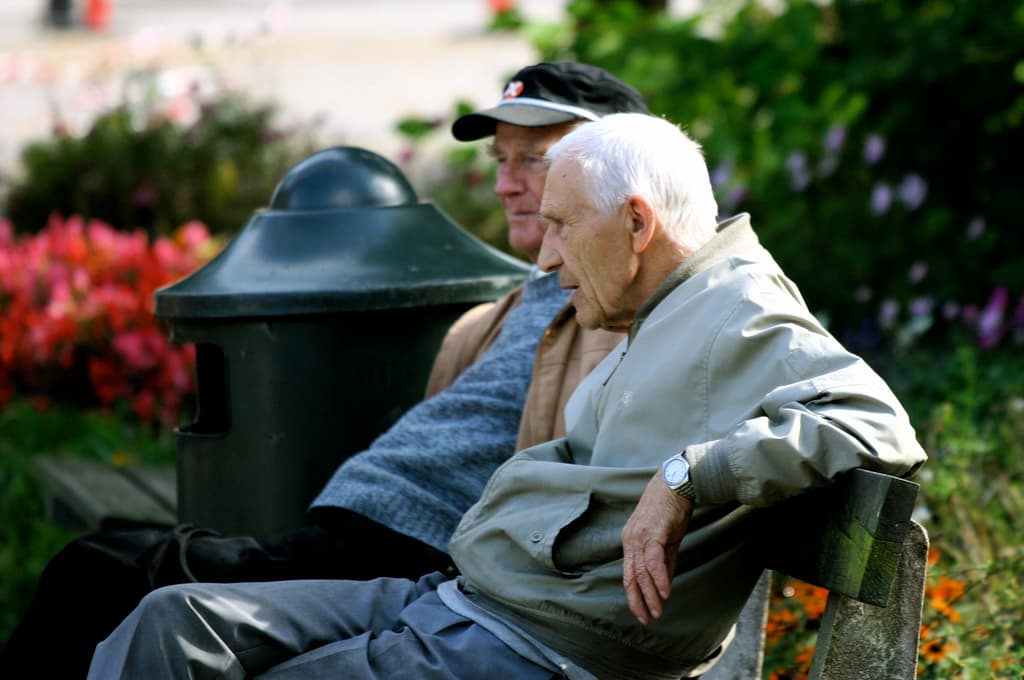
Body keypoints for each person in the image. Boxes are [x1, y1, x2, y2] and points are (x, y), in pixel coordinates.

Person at [86, 113, 927, 679]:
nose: (547, 257)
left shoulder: (738, 307)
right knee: (175, 620)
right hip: (469, 601)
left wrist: (685, 477)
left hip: (534, 644)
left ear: (638, 224)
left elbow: (874, 421)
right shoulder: (665, 308)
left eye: (563, 225)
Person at [0, 62, 649, 677]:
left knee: (100, 572)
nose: (507, 184)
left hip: (411, 552)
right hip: (345, 526)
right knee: (108, 573)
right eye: (500, 159)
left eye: (534, 159)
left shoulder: (610, 303)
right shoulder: (515, 301)